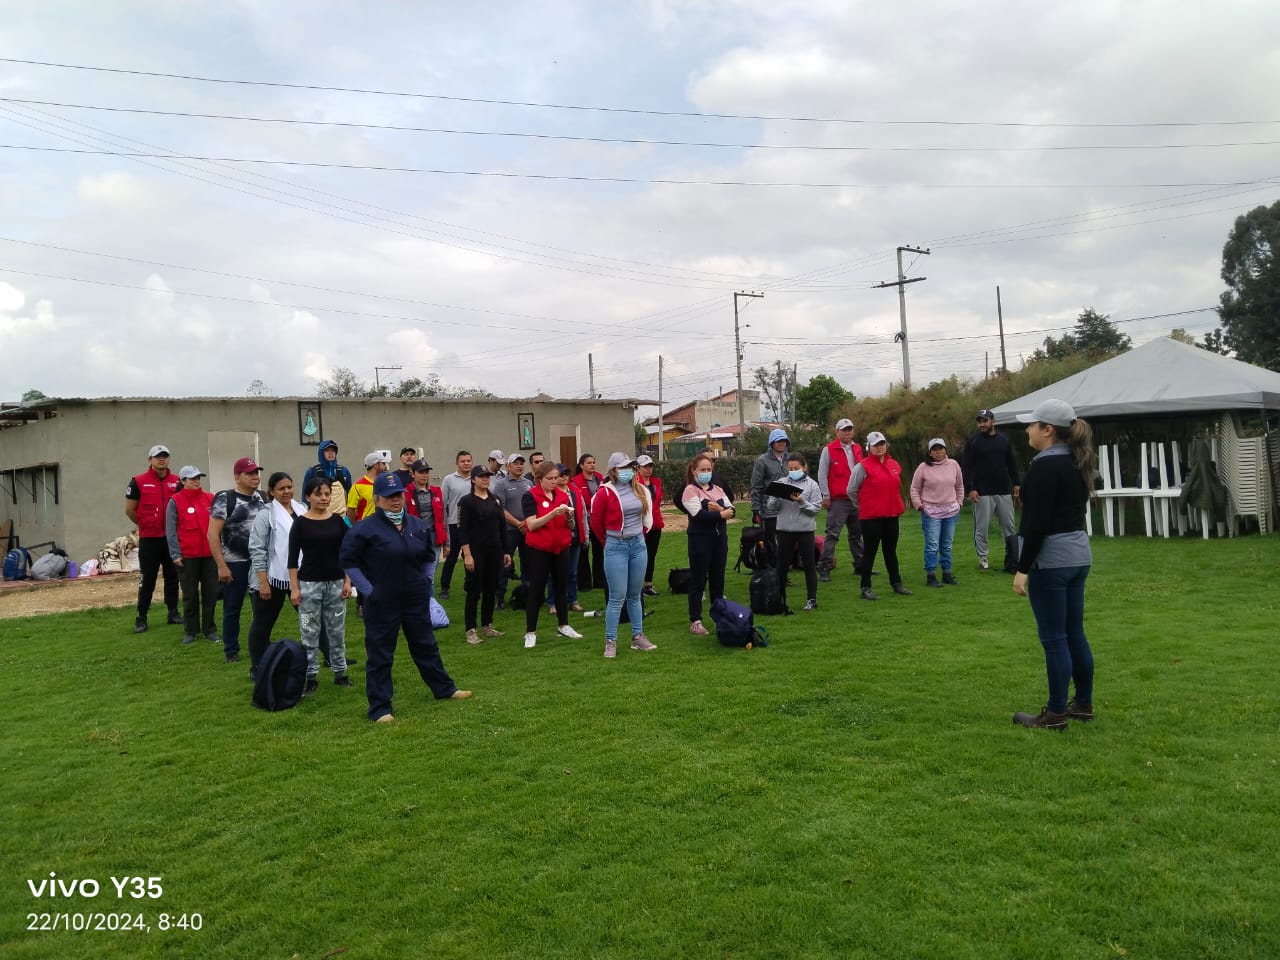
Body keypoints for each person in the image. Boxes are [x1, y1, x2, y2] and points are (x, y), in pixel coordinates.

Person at [340, 472, 472, 722]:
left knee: (426, 644)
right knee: (380, 653)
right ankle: (380, 708)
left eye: (398, 494)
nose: (395, 500)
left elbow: (427, 557)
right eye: (389, 496)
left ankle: (444, 689)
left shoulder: (416, 524)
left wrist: (425, 582)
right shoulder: (364, 529)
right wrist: (369, 591)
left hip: (414, 597)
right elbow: (349, 562)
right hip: (382, 600)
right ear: (377, 499)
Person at [1011, 399, 1096, 730]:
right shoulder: (1077, 461)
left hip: (1052, 561)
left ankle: (1056, 713)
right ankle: (1083, 704)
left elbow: (1036, 524)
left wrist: (1022, 568)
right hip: (1078, 555)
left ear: (1048, 430)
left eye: (1032, 424)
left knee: (1054, 638)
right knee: (1074, 631)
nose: (1027, 430)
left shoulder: (1044, 466)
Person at [288, 477, 353, 695]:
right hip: (309, 584)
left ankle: (340, 672)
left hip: (335, 582)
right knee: (309, 632)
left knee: (336, 631)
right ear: (308, 497)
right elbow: (292, 559)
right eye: (318, 494)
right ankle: (310, 676)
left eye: (327, 494)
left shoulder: (337, 521)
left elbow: (347, 553)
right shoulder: (300, 523)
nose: (324, 498)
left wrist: (347, 580)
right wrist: (294, 588)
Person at [590, 452, 655, 658]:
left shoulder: (640, 490)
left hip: (637, 544)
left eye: (630, 467)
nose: (628, 471)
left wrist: (638, 537)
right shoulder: (603, 493)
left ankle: (638, 636)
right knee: (617, 597)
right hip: (615, 545)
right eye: (623, 467)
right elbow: (596, 524)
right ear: (613, 471)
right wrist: (610, 542)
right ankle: (611, 640)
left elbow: (646, 517)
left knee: (635, 595)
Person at [247, 472, 307, 680]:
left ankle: (330, 657)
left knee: (311, 619)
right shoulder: (266, 514)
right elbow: (257, 549)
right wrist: (263, 582)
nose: (287, 491)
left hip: (299, 576)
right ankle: (257, 665)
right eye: (281, 488)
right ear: (271, 492)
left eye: (289, 487)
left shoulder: (302, 509)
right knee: (263, 623)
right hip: (272, 578)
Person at [520, 461, 584, 648]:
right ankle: (530, 632)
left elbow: (570, 526)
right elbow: (531, 524)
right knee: (536, 590)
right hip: (539, 549)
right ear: (539, 479)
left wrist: (569, 517)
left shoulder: (563, 496)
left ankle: (563, 625)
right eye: (550, 478)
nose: (554, 481)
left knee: (561, 588)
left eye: (556, 478)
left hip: (561, 547)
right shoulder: (530, 496)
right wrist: (552, 514)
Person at [208, 456, 265, 664]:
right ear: (237, 477)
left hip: (260, 563)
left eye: (256, 473)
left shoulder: (263, 498)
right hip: (235, 563)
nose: (255, 477)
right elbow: (213, 534)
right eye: (249, 473)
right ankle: (231, 650)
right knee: (232, 608)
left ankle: (260, 645)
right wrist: (221, 565)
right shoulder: (225, 498)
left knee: (262, 608)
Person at [125, 443, 182, 633]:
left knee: (172, 577)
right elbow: (130, 510)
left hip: (171, 539)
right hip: (150, 539)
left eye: (165, 456)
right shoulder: (138, 481)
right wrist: (145, 524)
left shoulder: (177, 481)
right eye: (157, 456)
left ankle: (173, 612)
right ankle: (141, 617)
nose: (161, 459)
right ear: (150, 460)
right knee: (147, 578)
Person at [847, 432, 912, 601]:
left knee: (890, 551)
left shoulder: (894, 464)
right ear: (869, 447)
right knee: (870, 551)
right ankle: (865, 587)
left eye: (882, 443)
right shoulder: (862, 466)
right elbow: (851, 490)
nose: (880, 447)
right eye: (876, 444)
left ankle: (896, 583)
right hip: (871, 517)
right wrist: (862, 505)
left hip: (891, 514)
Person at [682, 453, 735, 636]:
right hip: (700, 540)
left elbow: (732, 509)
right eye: (702, 470)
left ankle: (719, 616)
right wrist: (721, 515)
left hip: (719, 540)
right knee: (698, 581)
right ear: (694, 471)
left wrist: (721, 510)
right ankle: (695, 620)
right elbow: (698, 515)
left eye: (709, 470)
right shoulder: (690, 490)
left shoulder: (718, 489)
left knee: (718, 580)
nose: (706, 473)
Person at [962, 409, 1021, 572]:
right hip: (982, 492)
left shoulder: (1004, 440)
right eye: (979, 421)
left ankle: (1012, 559)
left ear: (993, 421)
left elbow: (1011, 462)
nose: (982, 424)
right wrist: (970, 489)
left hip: (1003, 489)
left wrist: (1017, 482)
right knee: (982, 527)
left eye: (985, 421)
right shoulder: (973, 442)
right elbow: (967, 467)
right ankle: (983, 558)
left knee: (1009, 526)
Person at [165, 465, 218, 644]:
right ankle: (191, 630)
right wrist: (175, 554)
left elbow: (219, 526)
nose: (197, 481)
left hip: (209, 555)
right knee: (190, 596)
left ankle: (209, 629)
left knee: (210, 594)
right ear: (182, 481)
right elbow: (171, 531)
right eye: (192, 478)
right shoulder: (175, 501)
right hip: (188, 556)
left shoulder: (210, 498)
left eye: (198, 478)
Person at [457, 464, 510, 644]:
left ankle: (487, 625)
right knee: (474, 590)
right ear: (473, 479)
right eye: (481, 476)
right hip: (475, 551)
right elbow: (462, 530)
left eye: (487, 476)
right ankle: (470, 630)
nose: (485, 479)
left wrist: (506, 551)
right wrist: (467, 554)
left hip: (494, 551)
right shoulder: (467, 501)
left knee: (490, 589)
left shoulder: (495, 500)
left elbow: (502, 527)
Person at [767, 453, 821, 611]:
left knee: (809, 565)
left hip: (805, 530)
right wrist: (778, 496)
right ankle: (779, 598)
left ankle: (812, 599)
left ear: (804, 468)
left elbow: (815, 509)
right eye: (790, 469)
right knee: (782, 565)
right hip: (784, 530)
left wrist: (801, 501)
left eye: (796, 468)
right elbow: (771, 507)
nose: (793, 471)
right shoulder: (781, 482)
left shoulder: (812, 485)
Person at [910, 439, 966, 588]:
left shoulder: (953, 464)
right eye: (934, 449)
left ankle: (947, 573)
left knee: (947, 544)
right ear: (929, 452)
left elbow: (959, 485)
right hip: (931, 511)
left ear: (945, 450)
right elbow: (914, 488)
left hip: (951, 510)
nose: (938, 452)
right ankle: (931, 575)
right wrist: (919, 506)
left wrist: (959, 503)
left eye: (941, 448)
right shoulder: (923, 467)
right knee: (932, 545)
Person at [816, 418, 865, 582]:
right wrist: (826, 495)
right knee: (832, 534)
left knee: (857, 534)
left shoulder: (857, 448)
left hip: (856, 498)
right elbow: (822, 474)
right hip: (838, 499)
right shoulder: (829, 449)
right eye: (844, 429)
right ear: (837, 432)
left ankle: (860, 565)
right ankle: (824, 566)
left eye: (850, 429)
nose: (848, 432)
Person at [493, 453, 533, 610]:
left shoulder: (528, 483)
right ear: (508, 466)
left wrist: (527, 523)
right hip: (509, 530)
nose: (519, 466)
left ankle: (527, 595)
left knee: (528, 564)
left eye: (521, 463)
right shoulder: (501, 485)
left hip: (527, 529)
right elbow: (499, 509)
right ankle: (499, 597)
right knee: (505, 564)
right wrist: (518, 523)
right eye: (515, 463)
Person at [547, 464, 587, 615]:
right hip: (558, 539)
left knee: (572, 572)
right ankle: (552, 602)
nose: (564, 476)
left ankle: (573, 601)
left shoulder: (575, 493)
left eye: (566, 473)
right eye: (561, 474)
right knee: (554, 573)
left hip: (575, 537)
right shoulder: (552, 494)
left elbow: (583, 516)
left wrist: (585, 536)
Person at [437, 450, 474, 600]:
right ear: (457, 463)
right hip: (454, 523)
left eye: (468, 461)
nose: (466, 464)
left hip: (472, 524)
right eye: (463, 461)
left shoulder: (476, 479)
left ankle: (470, 585)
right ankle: (445, 587)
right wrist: (444, 526)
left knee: (471, 555)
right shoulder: (449, 480)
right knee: (452, 556)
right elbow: (442, 503)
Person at [749, 428, 791, 558]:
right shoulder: (762, 461)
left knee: (786, 541)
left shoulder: (790, 459)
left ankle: (784, 569)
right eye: (778, 441)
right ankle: (772, 572)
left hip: (788, 507)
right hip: (769, 510)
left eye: (784, 440)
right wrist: (756, 509)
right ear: (771, 443)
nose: (781, 443)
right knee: (771, 542)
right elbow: (756, 486)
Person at [406, 459, 446, 588]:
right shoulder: (406, 493)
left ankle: (429, 603)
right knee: (416, 572)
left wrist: (447, 543)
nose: (425, 475)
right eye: (421, 472)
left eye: (426, 472)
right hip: (415, 538)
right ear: (413, 474)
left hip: (434, 538)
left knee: (430, 574)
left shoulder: (436, 491)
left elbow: (442, 517)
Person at [571, 453, 606, 591]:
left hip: (599, 522)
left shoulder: (600, 479)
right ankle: (584, 584)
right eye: (589, 462)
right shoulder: (576, 481)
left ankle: (600, 581)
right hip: (584, 521)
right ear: (581, 465)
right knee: (583, 553)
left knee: (600, 552)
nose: (592, 464)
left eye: (593, 462)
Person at [637, 454, 664, 597]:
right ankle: (636, 585)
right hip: (640, 524)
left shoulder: (656, 482)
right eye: (645, 466)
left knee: (651, 554)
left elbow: (657, 501)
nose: (649, 469)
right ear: (639, 468)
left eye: (650, 466)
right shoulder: (635, 482)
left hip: (655, 523)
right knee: (640, 555)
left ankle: (648, 584)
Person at [301, 440, 353, 515]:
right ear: (321, 453)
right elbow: (305, 496)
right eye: (327, 450)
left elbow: (350, 495)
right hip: (319, 516)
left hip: (342, 517)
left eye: (333, 450)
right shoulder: (312, 472)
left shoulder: (344, 471)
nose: (330, 453)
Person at [347, 451, 390, 524]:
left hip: (383, 527)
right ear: (376, 465)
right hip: (365, 529)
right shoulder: (357, 486)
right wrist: (356, 527)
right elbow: (350, 510)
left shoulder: (385, 483)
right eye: (383, 464)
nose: (386, 467)